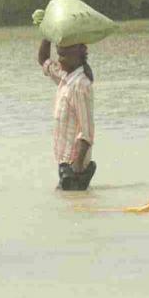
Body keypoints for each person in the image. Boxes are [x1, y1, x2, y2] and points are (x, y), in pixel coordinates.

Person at [37, 39, 96, 190]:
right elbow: (43, 59)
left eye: (63, 56)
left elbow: (87, 131)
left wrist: (77, 167)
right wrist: (48, 33)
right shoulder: (65, 77)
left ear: (76, 56)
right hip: (65, 164)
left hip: (74, 166)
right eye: (59, 55)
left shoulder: (80, 85)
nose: (59, 60)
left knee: (72, 204)